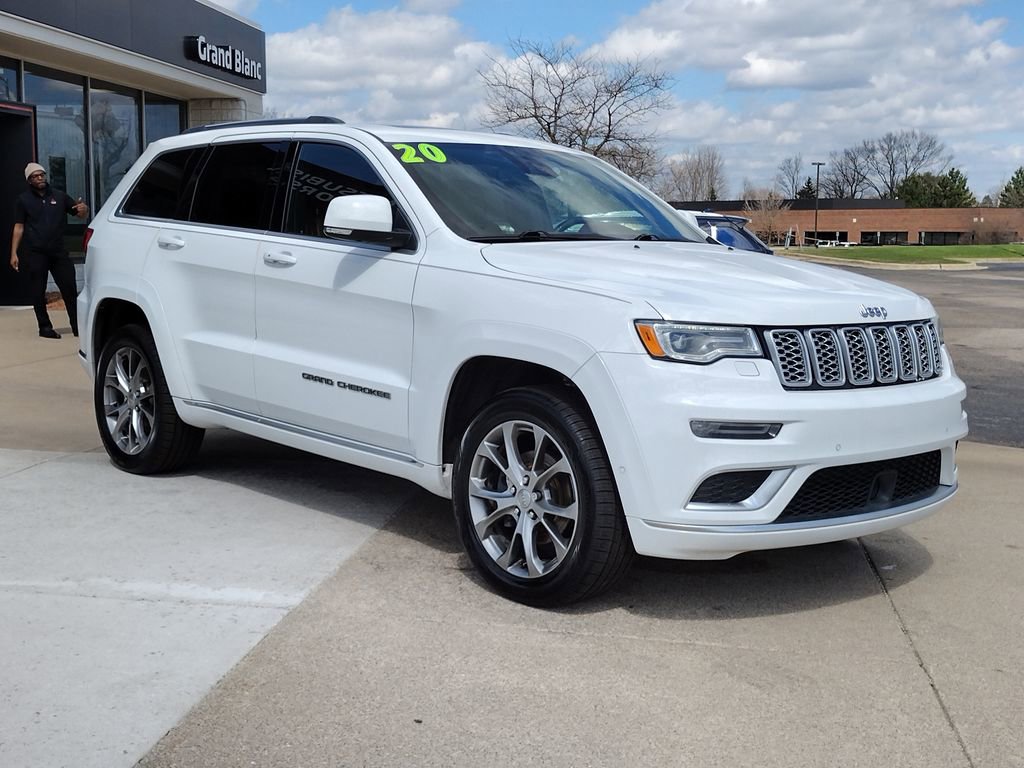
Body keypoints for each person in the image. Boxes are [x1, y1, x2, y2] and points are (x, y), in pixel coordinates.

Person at [9, 162, 89, 339]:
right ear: (29, 180)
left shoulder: (59, 196)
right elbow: (19, 227)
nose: (40, 178)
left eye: (42, 175)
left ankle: (77, 326)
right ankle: (44, 327)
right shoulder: (23, 200)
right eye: (35, 176)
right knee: (38, 290)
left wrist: (84, 210)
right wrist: (13, 253)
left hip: (58, 252)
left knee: (69, 286)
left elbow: (80, 213)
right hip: (35, 252)